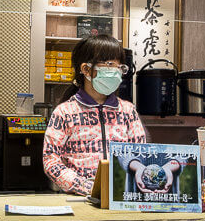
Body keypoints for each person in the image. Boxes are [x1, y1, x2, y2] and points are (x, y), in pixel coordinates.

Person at [43, 35, 146, 195]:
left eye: (120, 66)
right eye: (110, 64)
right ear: (86, 69)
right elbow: (51, 159)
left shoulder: (128, 111)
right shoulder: (64, 112)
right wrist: (85, 187)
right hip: (78, 199)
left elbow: (140, 153)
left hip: (121, 196)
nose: (116, 71)